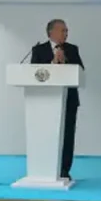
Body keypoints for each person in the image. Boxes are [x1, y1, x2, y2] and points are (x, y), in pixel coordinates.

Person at [30, 18, 84, 181]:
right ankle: (43, 169)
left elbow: (81, 71)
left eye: (67, 31)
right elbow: (34, 72)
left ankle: (64, 170)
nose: (66, 34)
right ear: (51, 32)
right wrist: (53, 62)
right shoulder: (39, 49)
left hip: (68, 100)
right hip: (44, 101)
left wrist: (65, 61)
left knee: (67, 135)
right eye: (63, 30)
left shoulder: (72, 49)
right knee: (45, 135)